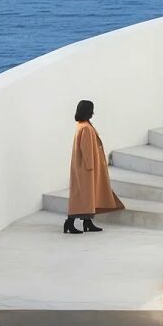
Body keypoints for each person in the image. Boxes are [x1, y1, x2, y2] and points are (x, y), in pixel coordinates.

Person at [64, 100, 124, 234]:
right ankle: (69, 222)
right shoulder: (85, 127)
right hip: (86, 169)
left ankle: (87, 222)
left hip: (84, 168)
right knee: (82, 197)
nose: (93, 112)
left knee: (87, 197)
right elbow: (86, 150)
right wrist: (91, 167)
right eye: (92, 110)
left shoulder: (82, 125)